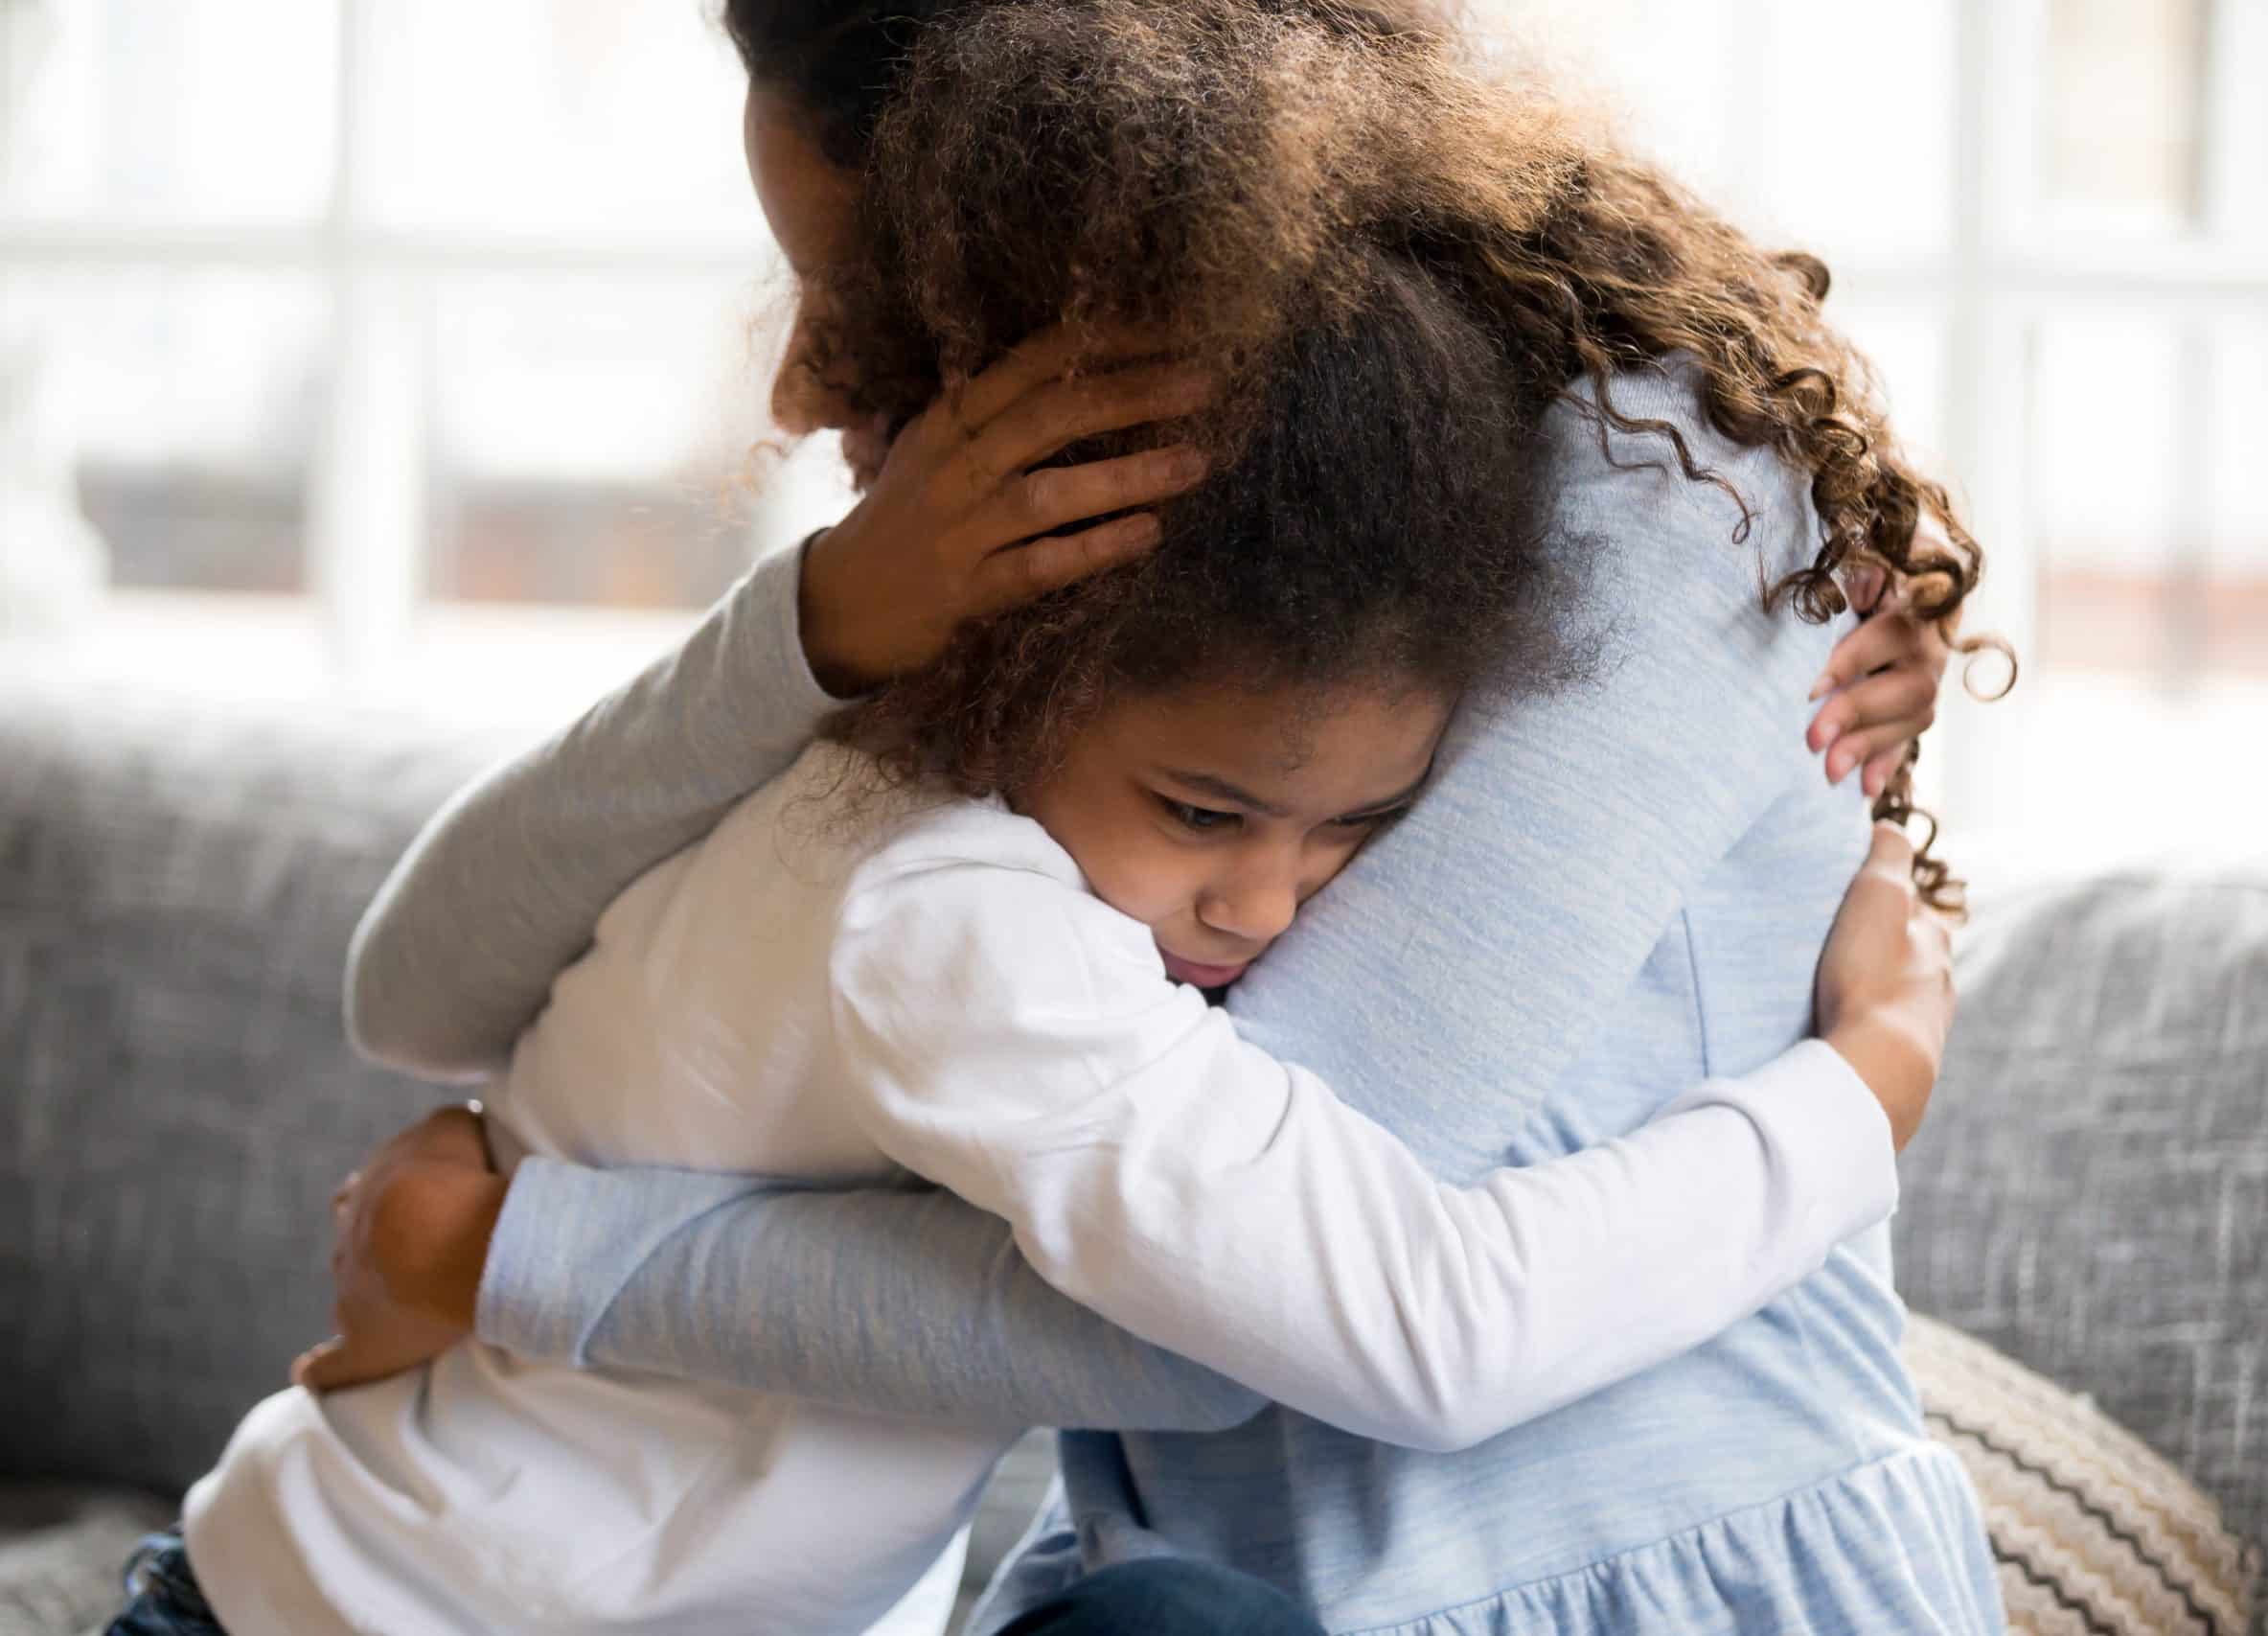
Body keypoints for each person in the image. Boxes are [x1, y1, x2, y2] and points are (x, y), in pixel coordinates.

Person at [290, 3, 2009, 1632]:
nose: (800, 394)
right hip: (1176, 1576)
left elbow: (1275, 1318)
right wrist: (811, 624)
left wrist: (528, 1250)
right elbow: (415, 993)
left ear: (1067, 178)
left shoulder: (1659, 484)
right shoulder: (1088, 593)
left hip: (1630, 1581)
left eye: (853, 291)